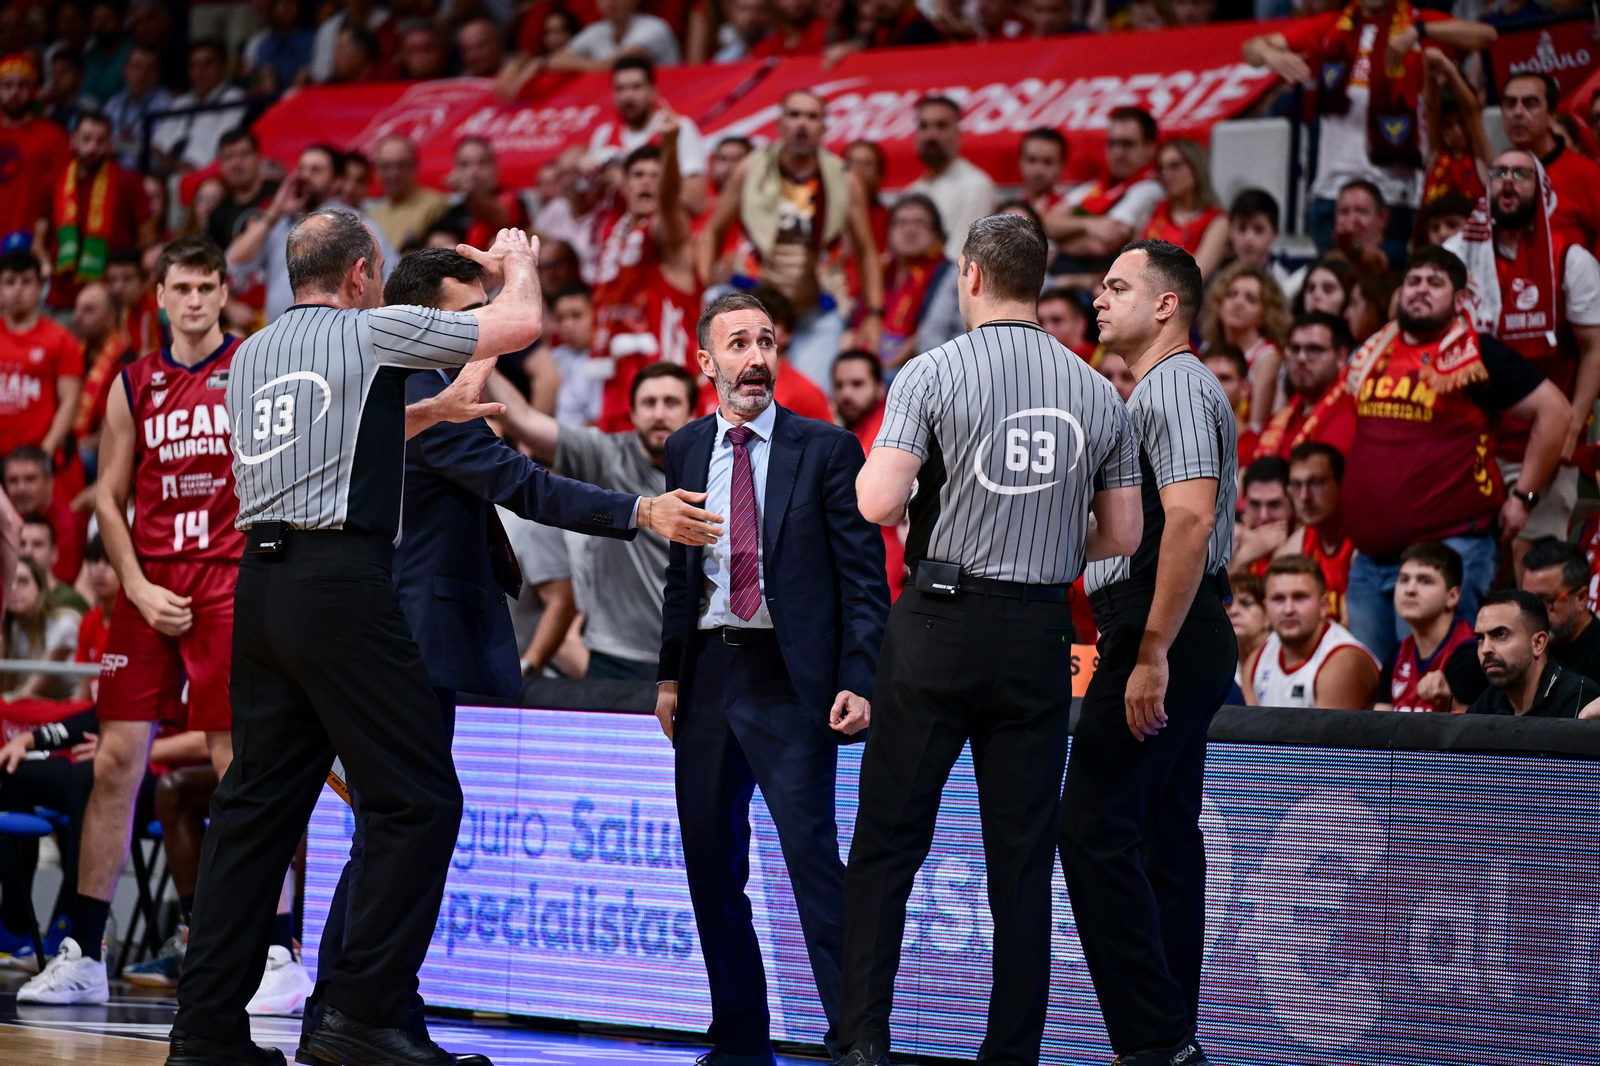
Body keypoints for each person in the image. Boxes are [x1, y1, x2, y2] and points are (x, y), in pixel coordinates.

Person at [301, 246, 712, 1055]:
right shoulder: (419, 390)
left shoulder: (421, 386)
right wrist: (643, 513)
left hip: (408, 631)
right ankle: (360, 1012)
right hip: (410, 638)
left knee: (390, 830)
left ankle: (358, 1008)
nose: (475, 333)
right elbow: (529, 486)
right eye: (462, 319)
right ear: (422, 321)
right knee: (405, 825)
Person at [158, 214, 542, 1066]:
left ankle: (205, 1031)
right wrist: (517, 263)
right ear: (365, 274)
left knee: (254, 813)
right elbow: (520, 325)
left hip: (258, 587)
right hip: (342, 584)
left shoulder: (248, 353)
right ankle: (361, 1017)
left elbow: (318, 446)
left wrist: (427, 412)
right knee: (418, 800)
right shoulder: (372, 329)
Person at [836, 216, 1142, 1066]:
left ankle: (862, 1040)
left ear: (970, 276)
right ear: (1038, 281)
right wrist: (1038, 542)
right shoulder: (1094, 389)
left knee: (889, 844)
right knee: (1019, 864)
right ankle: (1010, 1055)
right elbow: (1122, 534)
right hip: (1037, 631)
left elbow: (875, 505)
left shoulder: (930, 373)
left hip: (938, 622)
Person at [16, 238, 301, 1014]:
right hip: (149, 587)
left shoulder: (253, 367)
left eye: (209, 286)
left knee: (240, 762)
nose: (197, 299)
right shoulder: (133, 383)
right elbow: (107, 498)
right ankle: (84, 950)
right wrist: (135, 587)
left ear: (224, 293)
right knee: (113, 764)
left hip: (227, 578)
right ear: (161, 296)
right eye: (183, 287)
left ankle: (276, 949)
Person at [654, 292, 888, 1063]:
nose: (755, 358)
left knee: (814, 864)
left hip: (791, 681)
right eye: (738, 344)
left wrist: (861, 676)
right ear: (707, 362)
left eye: (766, 342)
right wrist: (668, 678)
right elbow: (680, 574)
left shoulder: (825, 449)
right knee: (710, 869)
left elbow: (863, 581)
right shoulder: (687, 448)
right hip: (709, 677)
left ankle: (855, 1040)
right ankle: (740, 1039)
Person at [1060, 239, 1236, 1066]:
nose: (1100, 298)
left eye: (1117, 286)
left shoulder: (1177, 386)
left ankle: (1155, 1041)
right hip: (1173, 623)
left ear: (1167, 305)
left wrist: (1152, 648)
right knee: (1164, 837)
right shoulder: (1158, 391)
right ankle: (1172, 1037)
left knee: (1091, 827)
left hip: (1163, 625)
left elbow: (1192, 522)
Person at [1342, 246, 1570, 664]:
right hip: (1371, 560)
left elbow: (1555, 412)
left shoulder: (1477, 353)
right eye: (1413, 281)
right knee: (1367, 695)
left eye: (1435, 283)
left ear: (1460, 299)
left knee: (1442, 687)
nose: (1421, 290)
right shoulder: (1374, 351)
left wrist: (1524, 496)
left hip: (1450, 551)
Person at [491, 360, 702, 679]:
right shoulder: (608, 456)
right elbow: (522, 420)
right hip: (613, 657)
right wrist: (479, 351)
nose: (659, 413)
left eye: (671, 403)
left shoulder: (713, 470)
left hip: (692, 654)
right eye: (649, 403)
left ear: (692, 414)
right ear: (631, 414)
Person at [1444, 149, 1600, 566]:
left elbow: (1594, 348)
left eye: (1521, 174)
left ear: (1542, 189)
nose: (1508, 181)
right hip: (1473, 442)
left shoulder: (1571, 258)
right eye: (1499, 173)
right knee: (1468, 565)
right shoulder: (1456, 254)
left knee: (1535, 564)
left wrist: (1570, 430)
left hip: (1543, 440)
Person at [1242, 3, 1497, 256]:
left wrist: (1418, 31)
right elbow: (1251, 48)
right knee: (1333, 290)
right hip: (1332, 197)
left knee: (1383, 288)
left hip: (1394, 195)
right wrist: (1269, 55)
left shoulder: (1416, 20)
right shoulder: (1331, 27)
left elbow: (1486, 35)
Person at [698, 90, 883, 394]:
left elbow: (866, 252)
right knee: (739, 395)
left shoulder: (844, 178)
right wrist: (705, 289)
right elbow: (712, 231)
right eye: (794, 115)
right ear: (779, 123)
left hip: (817, 309)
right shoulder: (749, 168)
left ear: (824, 126)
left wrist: (874, 315)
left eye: (812, 117)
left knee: (811, 396)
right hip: (752, 305)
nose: (803, 124)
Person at [589, 132, 700, 432]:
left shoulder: (667, 233)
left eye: (655, 175)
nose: (647, 182)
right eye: (638, 175)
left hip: (666, 376)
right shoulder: (615, 234)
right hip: (618, 375)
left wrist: (672, 146)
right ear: (623, 185)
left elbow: (668, 203)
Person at [228, 143, 397, 322]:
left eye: (316, 170)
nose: (305, 176)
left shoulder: (356, 224)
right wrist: (275, 212)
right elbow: (234, 261)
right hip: (280, 337)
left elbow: (394, 276)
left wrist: (362, 320)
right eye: (302, 169)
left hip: (335, 338)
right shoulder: (280, 223)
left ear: (338, 181)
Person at [47, 110, 156, 315]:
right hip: (61, 296)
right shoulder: (54, 183)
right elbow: (40, 235)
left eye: (100, 141)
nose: (92, 148)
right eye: (86, 139)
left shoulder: (129, 182)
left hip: (112, 297)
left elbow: (147, 238)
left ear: (111, 144)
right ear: (73, 141)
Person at [1043, 107, 1162, 286]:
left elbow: (1099, 245)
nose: (1118, 152)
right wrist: (1088, 224)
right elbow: (1046, 221)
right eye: (1112, 143)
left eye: (1127, 144)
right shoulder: (1099, 186)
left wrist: (1056, 245)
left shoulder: (1149, 188)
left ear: (1150, 148)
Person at [1246, 555, 1379, 709]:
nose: (1288, 609)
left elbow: (1327, 733)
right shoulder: (1257, 661)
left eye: (1300, 597)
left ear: (1324, 606)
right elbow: (1245, 731)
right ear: (1266, 608)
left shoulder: (1344, 662)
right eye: (1278, 599)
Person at [586, 56, 710, 215]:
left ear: (653, 91)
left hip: (659, 234)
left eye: (636, 87)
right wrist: (587, 176)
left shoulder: (677, 128)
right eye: (620, 89)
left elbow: (696, 201)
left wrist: (627, 184)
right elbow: (589, 205)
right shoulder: (603, 135)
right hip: (613, 233)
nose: (628, 96)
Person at [832, 348, 906, 598]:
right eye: (839, 385)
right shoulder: (852, 433)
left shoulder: (890, 434)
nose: (846, 393)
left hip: (886, 567)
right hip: (866, 562)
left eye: (857, 384)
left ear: (880, 388)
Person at [1500, 72, 1600, 254]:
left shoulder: (1588, 175)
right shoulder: (1499, 176)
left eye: (1530, 104)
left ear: (1552, 115)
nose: (1517, 112)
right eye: (1510, 103)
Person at [0, 250, 84, 463]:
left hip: (40, 457)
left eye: (26, 282)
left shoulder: (62, 340)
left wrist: (44, 453)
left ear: (40, 288)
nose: (18, 289)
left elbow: (70, 401)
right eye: (9, 283)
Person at [1375, 541, 1477, 713]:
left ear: (1452, 596)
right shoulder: (1396, 654)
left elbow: (1473, 732)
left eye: (1425, 581)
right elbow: (1378, 727)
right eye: (1403, 579)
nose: (1410, 589)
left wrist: (1448, 703)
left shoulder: (1471, 656)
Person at [1467, 589, 1600, 718]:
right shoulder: (1486, 704)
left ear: (1538, 643)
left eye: (1501, 634)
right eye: (1480, 638)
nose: (1485, 649)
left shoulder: (1578, 699)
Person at [905, 96, 998, 261]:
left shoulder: (975, 186)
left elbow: (960, 259)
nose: (931, 135)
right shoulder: (912, 192)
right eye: (923, 126)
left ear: (957, 133)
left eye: (941, 126)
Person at [1254, 312, 1358, 460]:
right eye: (1295, 349)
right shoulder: (1286, 414)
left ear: (1341, 357)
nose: (1301, 358)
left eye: (1314, 349)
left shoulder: (1348, 412)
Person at [1200, 263, 1289, 427]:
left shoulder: (1268, 356)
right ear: (1219, 302)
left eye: (1251, 299)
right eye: (1231, 294)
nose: (1238, 303)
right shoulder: (1207, 347)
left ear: (1265, 314)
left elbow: (1256, 425)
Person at [0, 54, 71, 254]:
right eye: (7, 86)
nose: (15, 92)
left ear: (34, 91)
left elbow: (63, 192)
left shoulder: (54, 136)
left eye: (22, 85)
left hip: (34, 244)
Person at [1277, 442, 1353, 623]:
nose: (1305, 496)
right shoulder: (1296, 545)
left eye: (1316, 483)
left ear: (1341, 483)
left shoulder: (1363, 546)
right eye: (1296, 485)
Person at [875, 193, 953, 369]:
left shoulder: (949, 273)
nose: (910, 230)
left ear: (936, 233)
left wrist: (884, 367)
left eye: (919, 223)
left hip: (922, 369)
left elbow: (931, 332)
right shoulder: (881, 270)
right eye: (901, 223)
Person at [150, 39, 247, 173]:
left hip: (206, 175)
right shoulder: (181, 102)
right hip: (165, 173)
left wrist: (176, 165)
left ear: (223, 67)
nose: (199, 73)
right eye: (193, 66)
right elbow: (158, 144)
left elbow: (220, 148)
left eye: (207, 65)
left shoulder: (234, 98)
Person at [1141, 139, 1228, 279]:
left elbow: (1195, 276)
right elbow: (1131, 257)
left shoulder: (1217, 221)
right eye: (1161, 168)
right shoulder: (1154, 208)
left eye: (1175, 166)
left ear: (1195, 167)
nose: (1166, 174)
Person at [1519, 537, 1600, 683]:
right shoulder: (1525, 647)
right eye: (1527, 600)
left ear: (1581, 598)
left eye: (1546, 600)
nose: (1534, 612)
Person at [1, 556, 80, 699]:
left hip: (72, 705)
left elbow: (34, 687)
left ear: (41, 588)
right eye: (8, 581)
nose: (13, 588)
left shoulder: (63, 625)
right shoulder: (12, 628)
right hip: (40, 704)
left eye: (23, 581)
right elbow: (7, 685)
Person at [2, 447, 84, 584]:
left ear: (49, 482)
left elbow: (61, 586)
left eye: (30, 479)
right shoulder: (4, 521)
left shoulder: (68, 525)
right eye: (13, 481)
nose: (21, 489)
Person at [436, 138, 532, 253]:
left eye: (482, 162)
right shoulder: (456, 210)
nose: (474, 171)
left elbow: (500, 216)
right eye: (465, 165)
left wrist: (470, 192)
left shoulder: (512, 197)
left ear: (495, 166)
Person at [366, 135, 448, 251]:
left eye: (401, 165)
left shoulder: (434, 207)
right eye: (386, 167)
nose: (394, 174)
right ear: (376, 170)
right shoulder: (372, 212)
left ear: (415, 166)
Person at [206, 127, 280, 252]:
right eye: (228, 157)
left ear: (258, 157)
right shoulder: (217, 216)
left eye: (244, 155)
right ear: (220, 164)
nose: (236, 164)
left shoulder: (281, 193)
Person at [102, 46, 172, 171]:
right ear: (125, 70)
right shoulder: (114, 103)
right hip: (111, 168)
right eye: (136, 67)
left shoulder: (166, 104)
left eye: (149, 69)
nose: (142, 74)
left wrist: (128, 144)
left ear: (158, 74)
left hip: (146, 172)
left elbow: (160, 152)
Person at [1226, 188, 1302, 301]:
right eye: (1242, 229)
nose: (1248, 238)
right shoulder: (1218, 275)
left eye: (1259, 230)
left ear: (1274, 235)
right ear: (1230, 231)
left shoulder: (1284, 280)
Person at [545, 283, 603, 426]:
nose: (567, 325)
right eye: (561, 318)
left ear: (595, 315)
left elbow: (598, 420)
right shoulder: (552, 358)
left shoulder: (605, 360)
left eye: (576, 316)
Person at [1228, 456, 1292, 579]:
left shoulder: (1307, 541)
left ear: (1292, 502)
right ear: (1244, 504)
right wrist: (1242, 558)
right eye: (1254, 504)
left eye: (1274, 504)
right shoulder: (1231, 540)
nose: (1264, 516)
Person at [19, 515, 89, 612]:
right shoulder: (11, 600)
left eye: (37, 544)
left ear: (54, 554)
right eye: (22, 544)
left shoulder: (70, 601)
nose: (27, 552)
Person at [1200, 345, 1255, 464]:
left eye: (1225, 378)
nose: (1213, 386)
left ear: (1245, 388)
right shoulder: (1184, 443)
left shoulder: (1256, 449)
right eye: (1207, 377)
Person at [1331, 179, 1399, 274]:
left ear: (1383, 218)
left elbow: (1376, 261)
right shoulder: (1324, 265)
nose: (1352, 220)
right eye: (1344, 212)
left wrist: (1351, 248)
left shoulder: (1397, 255)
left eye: (1361, 211)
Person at [1018, 128, 1069, 219]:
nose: (1038, 170)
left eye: (1048, 162)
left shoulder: (1072, 208)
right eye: (1031, 160)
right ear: (1020, 161)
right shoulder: (1010, 208)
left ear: (1062, 165)